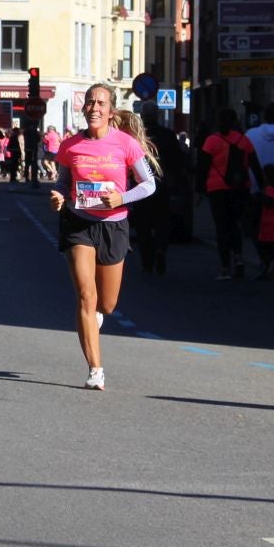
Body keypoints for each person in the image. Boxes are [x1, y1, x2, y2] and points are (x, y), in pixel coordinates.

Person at [49, 84, 155, 390]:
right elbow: (62, 182)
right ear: (84, 108)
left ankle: (96, 316)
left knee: (106, 305)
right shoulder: (70, 145)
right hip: (78, 223)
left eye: (100, 103)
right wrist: (58, 197)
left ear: (110, 111)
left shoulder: (125, 144)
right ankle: (95, 369)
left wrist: (122, 198)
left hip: (113, 226)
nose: (94, 108)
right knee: (86, 296)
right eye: (90, 102)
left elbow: (148, 184)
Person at [198, 109, 258, 279]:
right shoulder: (244, 140)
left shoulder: (211, 141)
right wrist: (262, 187)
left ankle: (225, 267)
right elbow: (255, 165)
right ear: (235, 121)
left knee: (222, 227)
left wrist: (199, 191)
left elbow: (203, 168)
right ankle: (238, 257)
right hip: (240, 188)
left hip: (217, 189)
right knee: (235, 224)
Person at [114, 109, 169, 274]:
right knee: (162, 222)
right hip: (163, 185)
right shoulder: (167, 134)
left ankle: (147, 260)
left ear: (143, 116)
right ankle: (160, 248)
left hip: (140, 187)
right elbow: (177, 161)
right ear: (157, 116)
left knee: (143, 223)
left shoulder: (135, 136)